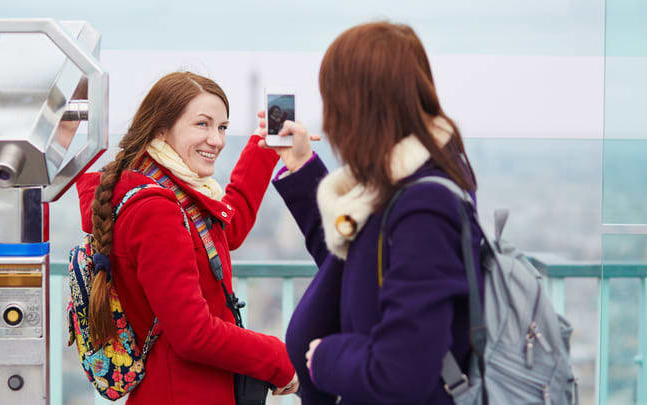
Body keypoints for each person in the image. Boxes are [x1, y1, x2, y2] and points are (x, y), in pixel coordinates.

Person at [258, 22, 482, 404]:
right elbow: (348, 263)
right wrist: (301, 167)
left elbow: (404, 369)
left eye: (332, 100)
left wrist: (325, 357)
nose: (328, 119)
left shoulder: (423, 209)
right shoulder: (397, 189)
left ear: (358, 106)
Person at [76, 71, 297, 405]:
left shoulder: (163, 191)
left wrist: (263, 149)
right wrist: (278, 359)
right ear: (161, 128)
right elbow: (192, 334)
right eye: (202, 125)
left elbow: (224, 231)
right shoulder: (157, 210)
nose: (217, 140)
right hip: (185, 392)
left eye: (222, 127)